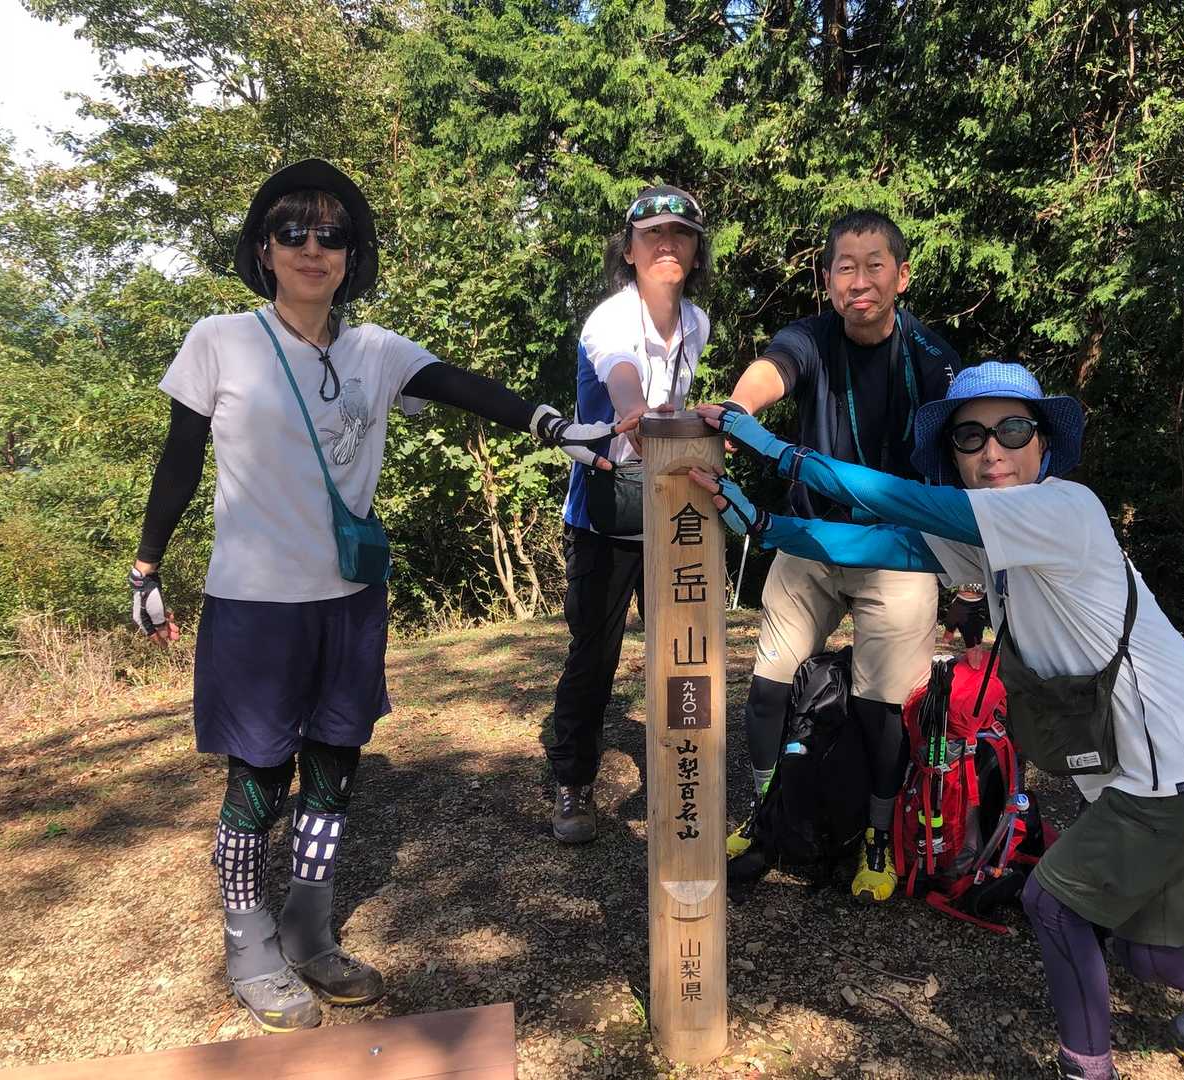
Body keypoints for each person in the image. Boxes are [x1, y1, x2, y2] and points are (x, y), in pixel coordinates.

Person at [689, 362, 1184, 1076]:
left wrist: (777, 451)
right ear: (953, 453)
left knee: (1054, 904)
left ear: (1042, 441)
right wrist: (766, 524)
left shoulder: (1064, 508)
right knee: (1152, 953)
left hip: (1181, 768)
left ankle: (1086, 1067)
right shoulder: (997, 538)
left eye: (1012, 430)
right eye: (970, 436)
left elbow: (903, 500)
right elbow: (884, 543)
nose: (991, 451)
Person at [129, 159, 626, 1033]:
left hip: (350, 599)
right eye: (292, 231)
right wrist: (147, 566)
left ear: (351, 256)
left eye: (332, 234)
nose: (312, 247)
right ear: (263, 249)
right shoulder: (220, 339)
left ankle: (309, 928)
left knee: (335, 766)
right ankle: (248, 943)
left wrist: (554, 426)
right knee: (259, 779)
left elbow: (461, 386)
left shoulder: (375, 350)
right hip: (255, 604)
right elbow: (179, 459)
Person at [720, 210, 958, 902]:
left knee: (884, 707)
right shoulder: (813, 338)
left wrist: (969, 576)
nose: (860, 280)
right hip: (813, 539)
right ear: (826, 279)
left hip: (899, 550)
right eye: (845, 267)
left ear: (901, 276)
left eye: (874, 265)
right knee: (767, 690)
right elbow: (775, 368)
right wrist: (738, 410)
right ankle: (768, 811)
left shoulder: (934, 360)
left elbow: (960, 461)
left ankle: (878, 835)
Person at [547, 185, 711, 843]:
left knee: (683, 650)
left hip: (671, 510)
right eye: (653, 236)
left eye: (681, 234)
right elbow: (622, 376)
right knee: (595, 655)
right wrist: (636, 412)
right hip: (604, 515)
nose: (667, 245)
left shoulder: (696, 324)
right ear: (630, 251)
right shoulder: (609, 318)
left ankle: (683, 778)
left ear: (696, 252)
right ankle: (573, 782)